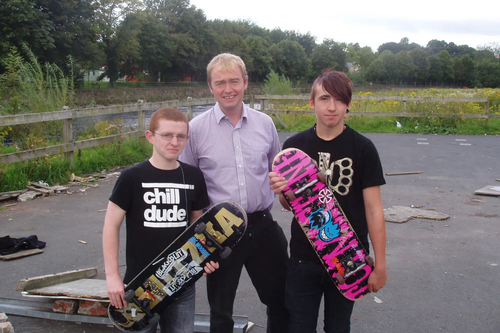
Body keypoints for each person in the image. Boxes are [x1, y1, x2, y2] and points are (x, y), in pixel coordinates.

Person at [269, 69, 387, 333]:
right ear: (312, 103)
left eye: (339, 99)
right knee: (299, 327)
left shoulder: (363, 148)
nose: (331, 107)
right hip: (304, 258)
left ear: (348, 104)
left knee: (337, 327)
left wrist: (380, 264)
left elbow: (374, 210)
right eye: (324, 98)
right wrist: (281, 192)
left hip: (349, 257)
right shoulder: (295, 146)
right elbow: (289, 203)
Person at [179, 53, 289, 333]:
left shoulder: (265, 124)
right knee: (220, 310)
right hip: (219, 233)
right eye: (220, 83)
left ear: (246, 83)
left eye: (234, 81)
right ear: (210, 87)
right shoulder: (196, 130)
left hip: (263, 226)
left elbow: (277, 172)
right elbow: (189, 187)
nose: (228, 89)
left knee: (281, 302)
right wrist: (198, 240)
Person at [103, 107, 217, 333]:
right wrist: (112, 276)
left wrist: (204, 258)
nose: (174, 142)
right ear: (150, 136)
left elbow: (197, 228)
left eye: (180, 136)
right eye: (167, 135)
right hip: (139, 285)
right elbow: (110, 225)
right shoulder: (132, 177)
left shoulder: (194, 176)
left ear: (187, 138)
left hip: (181, 282)